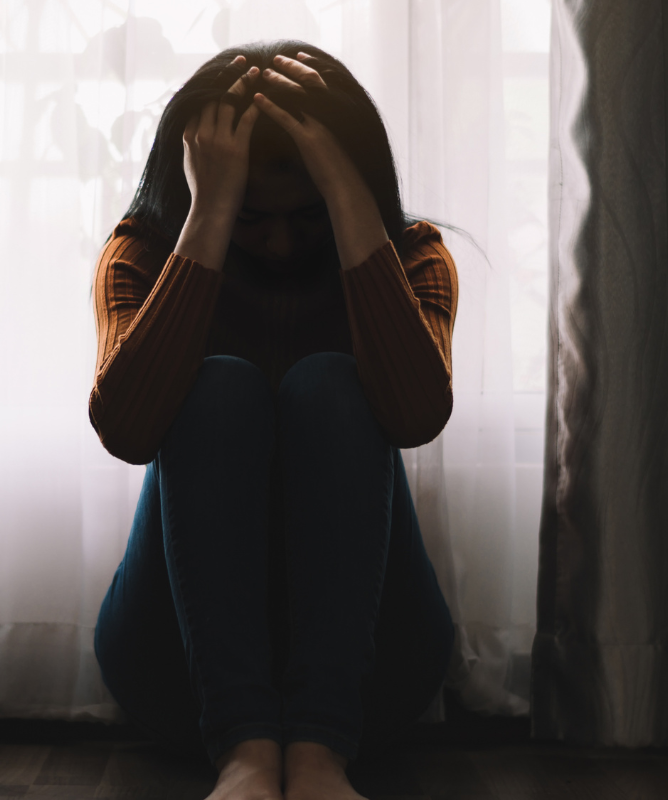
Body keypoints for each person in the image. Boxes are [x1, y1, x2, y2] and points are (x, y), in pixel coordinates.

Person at [88, 40, 458, 800]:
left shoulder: (416, 258)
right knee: (219, 388)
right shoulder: (141, 258)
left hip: (375, 678)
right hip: (178, 676)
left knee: (331, 383)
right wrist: (210, 218)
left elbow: (417, 414)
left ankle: (322, 749)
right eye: (257, 218)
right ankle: (244, 749)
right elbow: (127, 431)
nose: (283, 243)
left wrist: (352, 203)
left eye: (308, 213)